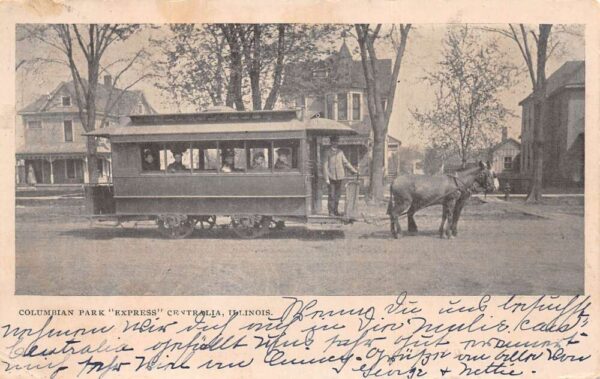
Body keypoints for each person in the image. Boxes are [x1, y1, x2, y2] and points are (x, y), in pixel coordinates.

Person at [323, 136, 357, 216]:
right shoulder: (327, 152)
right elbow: (325, 165)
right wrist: (326, 178)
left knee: (338, 195)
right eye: (334, 142)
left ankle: (335, 211)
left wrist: (353, 170)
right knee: (331, 194)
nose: (335, 143)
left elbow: (346, 163)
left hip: (340, 176)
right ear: (331, 142)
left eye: (336, 142)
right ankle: (331, 212)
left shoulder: (340, 152)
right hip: (331, 177)